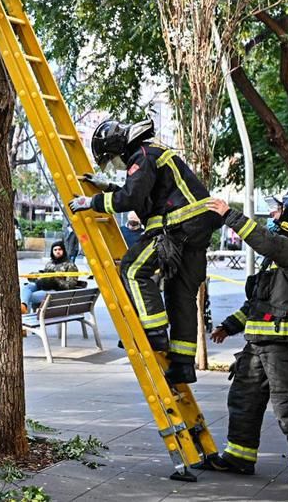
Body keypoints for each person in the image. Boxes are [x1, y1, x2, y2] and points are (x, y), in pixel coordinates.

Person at [69, 118, 221, 385]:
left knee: (132, 268)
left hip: (178, 227)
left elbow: (131, 198)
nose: (116, 164)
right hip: (195, 231)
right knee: (180, 295)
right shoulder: (154, 154)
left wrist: (89, 201)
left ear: (120, 147)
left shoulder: (143, 156)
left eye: (113, 159)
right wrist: (107, 188)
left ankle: (154, 332)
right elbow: (144, 196)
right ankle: (183, 364)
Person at [195, 193, 288, 487]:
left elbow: (266, 241)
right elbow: (258, 302)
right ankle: (239, 457)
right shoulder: (277, 257)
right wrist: (229, 326)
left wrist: (231, 215)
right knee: (243, 400)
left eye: (278, 211)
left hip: (285, 346)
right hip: (258, 343)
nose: (273, 216)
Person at [20, 241, 83, 312]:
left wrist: (55, 279)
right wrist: (37, 276)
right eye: (55, 250)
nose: (57, 251)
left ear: (64, 251)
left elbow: (70, 286)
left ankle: (26, 315)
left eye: (60, 249)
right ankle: (24, 307)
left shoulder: (70, 265)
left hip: (56, 292)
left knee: (28, 297)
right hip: (44, 287)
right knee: (27, 288)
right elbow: (44, 278)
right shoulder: (49, 263)